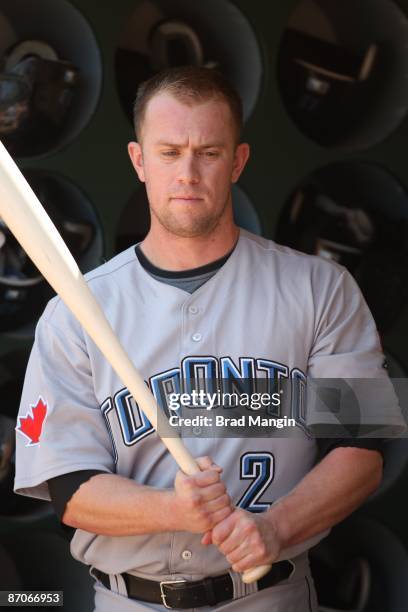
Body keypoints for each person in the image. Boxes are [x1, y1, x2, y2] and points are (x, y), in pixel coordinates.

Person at [14, 66, 393, 611]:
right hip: (131, 600)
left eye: (208, 152)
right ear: (138, 160)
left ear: (237, 161)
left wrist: (276, 527)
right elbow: (68, 490)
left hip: (273, 595)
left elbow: (364, 449)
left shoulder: (321, 288)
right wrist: (174, 509)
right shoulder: (73, 313)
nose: (187, 172)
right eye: (169, 152)